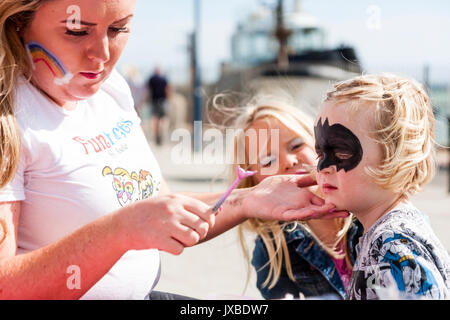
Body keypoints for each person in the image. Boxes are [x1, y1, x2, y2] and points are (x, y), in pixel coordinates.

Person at [0, 0, 346, 300]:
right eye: (77, 31)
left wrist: (248, 200)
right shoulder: (11, 118)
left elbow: (160, 207)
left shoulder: (111, 90)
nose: (102, 56)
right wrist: (120, 230)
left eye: (119, 29)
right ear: (18, 20)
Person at [208, 92, 363, 299]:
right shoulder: (272, 251)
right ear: (254, 184)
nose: (289, 161)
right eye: (268, 161)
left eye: (296, 145)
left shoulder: (365, 210)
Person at [314, 73, 450, 299]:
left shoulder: (393, 246)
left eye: (341, 152)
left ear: (395, 157)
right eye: (320, 153)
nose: (323, 167)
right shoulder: (382, 235)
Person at [147, 66, 169, 145]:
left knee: (155, 119)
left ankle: (156, 136)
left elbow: (148, 89)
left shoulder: (152, 79)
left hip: (154, 100)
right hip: (162, 100)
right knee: (163, 119)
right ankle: (161, 134)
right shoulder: (163, 79)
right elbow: (167, 89)